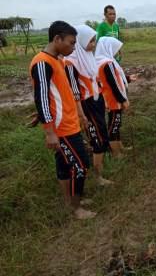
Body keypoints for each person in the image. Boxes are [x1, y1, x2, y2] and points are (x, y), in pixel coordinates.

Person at [29, 21, 96, 219]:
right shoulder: (42, 62)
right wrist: (49, 132)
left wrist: (80, 116)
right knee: (80, 165)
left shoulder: (58, 60)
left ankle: (71, 200)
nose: (73, 47)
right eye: (71, 43)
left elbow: (55, 95)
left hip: (69, 122)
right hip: (61, 128)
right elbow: (40, 97)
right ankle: (77, 208)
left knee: (65, 165)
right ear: (57, 39)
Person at [64, 25, 112, 186]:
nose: (93, 45)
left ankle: (99, 170)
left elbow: (95, 81)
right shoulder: (70, 62)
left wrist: (102, 100)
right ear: (81, 41)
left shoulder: (88, 56)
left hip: (96, 101)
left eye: (94, 41)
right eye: (91, 41)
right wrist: (81, 115)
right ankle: (98, 178)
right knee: (97, 140)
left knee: (102, 135)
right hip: (86, 105)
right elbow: (74, 91)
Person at [96, 37, 130, 157]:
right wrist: (123, 100)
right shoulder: (108, 63)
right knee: (113, 125)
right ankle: (116, 153)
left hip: (110, 98)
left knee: (116, 122)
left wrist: (128, 79)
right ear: (108, 48)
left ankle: (120, 146)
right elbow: (114, 84)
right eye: (116, 49)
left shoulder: (100, 61)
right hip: (114, 99)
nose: (117, 52)